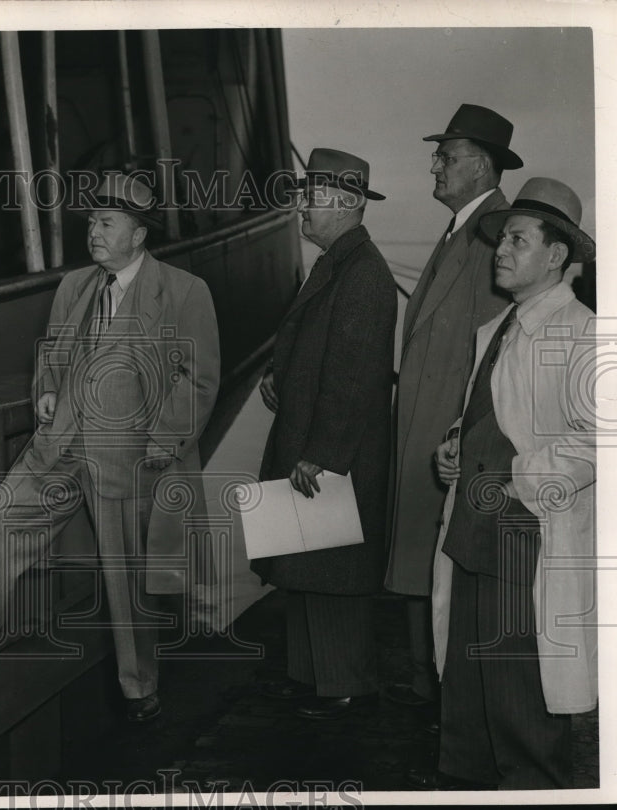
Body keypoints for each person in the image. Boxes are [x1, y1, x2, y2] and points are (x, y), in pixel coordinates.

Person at [0, 173, 221, 724]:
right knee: (2, 518)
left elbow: (199, 379)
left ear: (138, 234)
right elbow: (51, 353)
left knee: (128, 574)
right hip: (61, 445)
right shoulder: (75, 286)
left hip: (130, 457)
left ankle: (140, 687)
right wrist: (47, 390)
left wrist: (161, 444)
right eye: (92, 222)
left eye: (107, 223)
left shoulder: (184, 292)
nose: (93, 232)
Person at [410, 178, 597, 789]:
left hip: (524, 535)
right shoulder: (496, 329)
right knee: (465, 686)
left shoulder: (583, 332)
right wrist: (455, 445)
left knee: (520, 694)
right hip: (470, 528)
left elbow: (597, 440)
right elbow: (493, 412)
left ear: (556, 255)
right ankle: (466, 787)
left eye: (518, 239)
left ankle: (532, 791)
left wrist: (514, 476)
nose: (501, 250)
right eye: (502, 239)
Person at [385, 104, 519, 712]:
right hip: (427, 427)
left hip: (448, 434)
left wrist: (465, 433)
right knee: (424, 561)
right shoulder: (461, 231)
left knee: (444, 566)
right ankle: (428, 685)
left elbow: (494, 354)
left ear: (482, 166)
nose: (434, 167)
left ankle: (445, 695)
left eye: (447, 157)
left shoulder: (494, 235)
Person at [255, 148, 396, 720]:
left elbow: (353, 377)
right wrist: (279, 374)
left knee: (332, 570)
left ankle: (346, 685)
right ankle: (311, 676)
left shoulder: (362, 274)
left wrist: (323, 453)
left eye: (310, 199)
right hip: (312, 438)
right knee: (304, 563)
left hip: (329, 450)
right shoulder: (341, 262)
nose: (301, 209)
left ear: (346, 203)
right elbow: (317, 347)